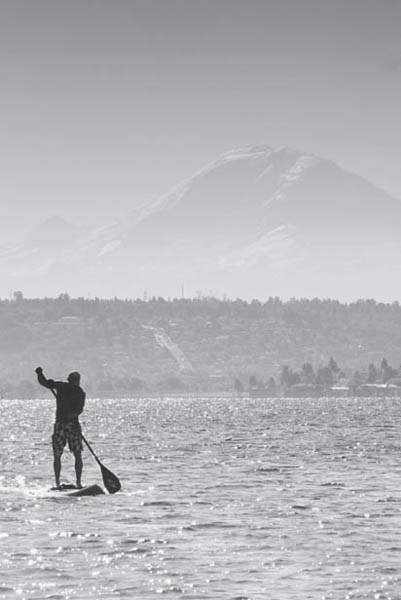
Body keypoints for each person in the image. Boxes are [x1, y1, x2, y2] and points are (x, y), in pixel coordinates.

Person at [35, 367, 85, 489]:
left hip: (72, 425)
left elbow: (79, 410)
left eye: (76, 380)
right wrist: (40, 374)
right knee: (58, 454)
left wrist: (72, 414)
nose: (75, 382)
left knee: (77, 454)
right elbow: (45, 383)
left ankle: (78, 482)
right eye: (74, 380)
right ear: (70, 380)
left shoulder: (80, 393)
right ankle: (57, 483)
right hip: (61, 425)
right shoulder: (62, 387)